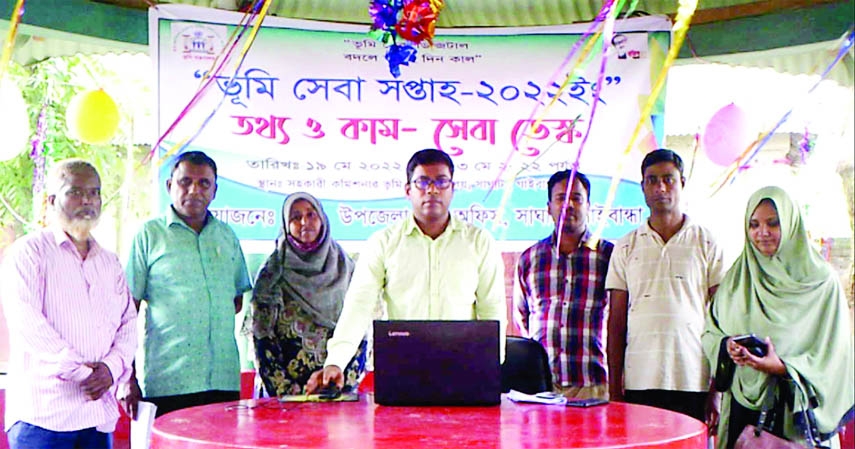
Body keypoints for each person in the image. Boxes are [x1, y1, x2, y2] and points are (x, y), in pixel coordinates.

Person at [305, 148, 507, 392]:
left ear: (453, 189)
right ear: (408, 190)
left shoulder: (478, 242)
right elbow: (359, 305)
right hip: (403, 369)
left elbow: (492, 308)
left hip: (464, 369)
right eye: (422, 182)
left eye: (441, 182)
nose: (432, 190)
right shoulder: (384, 242)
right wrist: (336, 361)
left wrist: (490, 365)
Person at [702, 186, 854, 449]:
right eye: (754, 224)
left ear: (791, 224)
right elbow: (710, 332)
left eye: (773, 223)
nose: (762, 233)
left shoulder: (820, 284)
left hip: (795, 417)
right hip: (741, 410)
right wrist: (726, 347)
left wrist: (784, 368)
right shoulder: (737, 279)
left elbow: (836, 357)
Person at [0, 159, 137, 449]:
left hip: (95, 416)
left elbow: (128, 324)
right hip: (43, 418)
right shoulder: (29, 253)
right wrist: (87, 374)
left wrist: (111, 370)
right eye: (75, 192)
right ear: (51, 200)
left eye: (95, 192)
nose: (87, 200)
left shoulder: (109, 262)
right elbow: (29, 326)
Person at [123, 151, 252, 417]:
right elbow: (126, 313)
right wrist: (128, 376)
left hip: (223, 383)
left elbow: (235, 301)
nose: (194, 190)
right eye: (185, 182)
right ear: (170, 186)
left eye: (204, 183)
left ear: (214, 191)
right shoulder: (149, 236)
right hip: (169, 383)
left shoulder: (227, 236)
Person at [606, 149, 725, 425]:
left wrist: (716, 390)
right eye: (652, 180)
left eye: (669, 179)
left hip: (693, 379)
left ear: (682, 182)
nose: (660, 187)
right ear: (643, 187)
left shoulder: (707, 242)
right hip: (640, 380)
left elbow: (722, 322)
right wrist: (614, 389)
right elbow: (616, 322)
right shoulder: (626, 246)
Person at [250, 192, 366, 396]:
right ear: (286, 225)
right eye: (295, 217)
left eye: (311, 214)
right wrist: (296, 393)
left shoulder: (346, 269)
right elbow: (263, 340)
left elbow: (361, 331)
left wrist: (338, 387)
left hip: (337, 392)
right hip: (285, 401)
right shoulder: (272, 272)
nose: (305, 222)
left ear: (322, 219)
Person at [514, 170, 613, 400]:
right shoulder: (530, 258)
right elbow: (522, 319)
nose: (568, 204)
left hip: (593, 384)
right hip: (541, 387)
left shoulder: (609, 256)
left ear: (589, 206)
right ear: (549, 207)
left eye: (576, 198)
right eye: (560, 198)